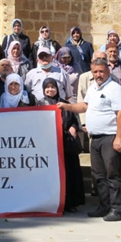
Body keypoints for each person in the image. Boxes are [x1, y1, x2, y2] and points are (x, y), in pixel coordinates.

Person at [61, 58, 121, 221]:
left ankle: (117, 209)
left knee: (113, 174)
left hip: (110, 137)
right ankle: (104, 206)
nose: (98, 74)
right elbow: (84, 106)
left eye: (101, 71)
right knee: (98, 175)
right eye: (95, 71)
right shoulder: (93, 88)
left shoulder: (115, 89)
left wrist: (119, 138)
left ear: (108, 71)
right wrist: (66, 106)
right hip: (95, 138)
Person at [39, 78, 84, 211]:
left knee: (69, 172)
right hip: (48, 145)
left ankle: (70, 203)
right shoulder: (40, 104)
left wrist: (74, 128)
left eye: (53, 87)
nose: (50, 89)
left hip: (66, 145)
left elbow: (75, 120)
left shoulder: (65, 104)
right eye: (47, 87)